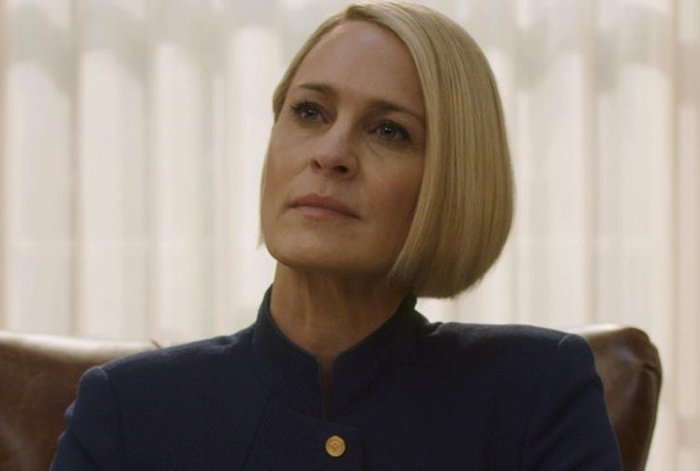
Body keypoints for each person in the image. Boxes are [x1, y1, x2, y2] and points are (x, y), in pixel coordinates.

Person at [49, 2, 623, 470]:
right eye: (310, 112)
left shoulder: (537, 389)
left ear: (452, 181)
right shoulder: (126, 407)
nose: (330, 154)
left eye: (389, 130)